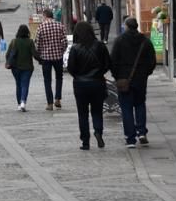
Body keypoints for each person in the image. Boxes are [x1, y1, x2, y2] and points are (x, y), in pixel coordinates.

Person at [110, 17, 157, 148]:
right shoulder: (145, 41)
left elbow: (113, 61)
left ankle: (130, 139)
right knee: (140, 104)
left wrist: (117, 76)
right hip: (140, 79)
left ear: (126, 26)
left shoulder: (119, 41)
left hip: (123, 80)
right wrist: (146, 73)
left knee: (126, 108)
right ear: (136, 26)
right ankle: (141, 132)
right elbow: (152, 61)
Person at [66, 21, 111, 150]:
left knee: (83, 113)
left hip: (80, 85)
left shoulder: (75, 48)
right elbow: (107, 63)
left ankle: (85, 141)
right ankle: (98, 131)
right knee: (97, 111)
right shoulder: (100, 46)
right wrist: (99, 73)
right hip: (97, 83)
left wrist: (78, 76)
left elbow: (70, 67)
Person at [34, 9, 68, 111]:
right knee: (59, 78)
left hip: (46, 58)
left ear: (45, 16)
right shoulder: (60, 26)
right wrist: (61, 50)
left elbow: (37, 44)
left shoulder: (41, 27)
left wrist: (40, 54)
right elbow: (65, 41)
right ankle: (57, 98)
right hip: (58, 56)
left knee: (47, 80)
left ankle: (49, 103)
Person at [6, 24, 36, 112]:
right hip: (27, 67)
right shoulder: (30, 42)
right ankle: (23, 101)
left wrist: (9, 62)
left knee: (18, 84)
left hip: (15, 68)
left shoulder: (14, 41)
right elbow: (34, 54)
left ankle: (19, 104)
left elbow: (8, 54)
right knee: (25, 85)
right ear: (27, 32)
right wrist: (41, 60)